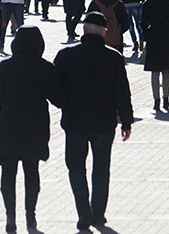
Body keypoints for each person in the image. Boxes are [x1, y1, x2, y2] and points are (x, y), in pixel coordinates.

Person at [54, 12, 133, 230]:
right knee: (101, 169)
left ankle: (84, 212)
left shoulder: (65, 56)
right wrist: (126, 121)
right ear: (105, 33)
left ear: (84, 29)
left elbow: (55, 88)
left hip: (74, 122)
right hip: (104, 123)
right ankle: (98, 214)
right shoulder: (114, 57)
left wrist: (64, 104)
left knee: (75, 167)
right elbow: (122, 93)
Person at [0, 26, 64, 233]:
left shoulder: (5, 67)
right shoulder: (46, 68)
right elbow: (58, 99)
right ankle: (31, 217)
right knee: (32, 171)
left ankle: (10, 218)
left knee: (8, 173)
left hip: (9, 125)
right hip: (35, 126)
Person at [141, 0, 169, 111]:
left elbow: (143, 23)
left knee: (155, 71)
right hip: (167, 38)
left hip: (153, 37)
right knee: (166, 70)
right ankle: (166, 99)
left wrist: (146, 37)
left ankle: (156, 100)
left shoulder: (148, 3)